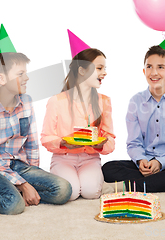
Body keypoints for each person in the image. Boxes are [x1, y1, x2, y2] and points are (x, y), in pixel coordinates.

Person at [0, 25, 71, 214]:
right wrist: (23, 184)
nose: (27, 78)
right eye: (20, 74)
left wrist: (33, 176)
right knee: (14, 205)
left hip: (17, 165)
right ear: (1, 78)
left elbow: (31, 144)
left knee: (63, 190)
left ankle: (13, 190)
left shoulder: (26, 102)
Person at [102, 39, 165, 192]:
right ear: (144, 71)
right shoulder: (136, 101)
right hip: (143, 163)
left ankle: (129, 186)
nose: (154, 72)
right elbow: (133, 143)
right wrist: (141, 161)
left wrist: (160, 162)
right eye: (149, 67)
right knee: (108, 168)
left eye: (160, 67)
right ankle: (157, 181)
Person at [41, 31, 115, 201]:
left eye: (105, 68)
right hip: (64, 158)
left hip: (90, 158)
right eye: (99, 68)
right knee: (71, 193)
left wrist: (100, 145)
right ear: (82, 70)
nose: (104, 73)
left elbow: (110, 140)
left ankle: (95, 182)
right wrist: (62, 142)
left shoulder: (104, 101)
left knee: (90, 193)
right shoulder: (57, 101)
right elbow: (46, 137)